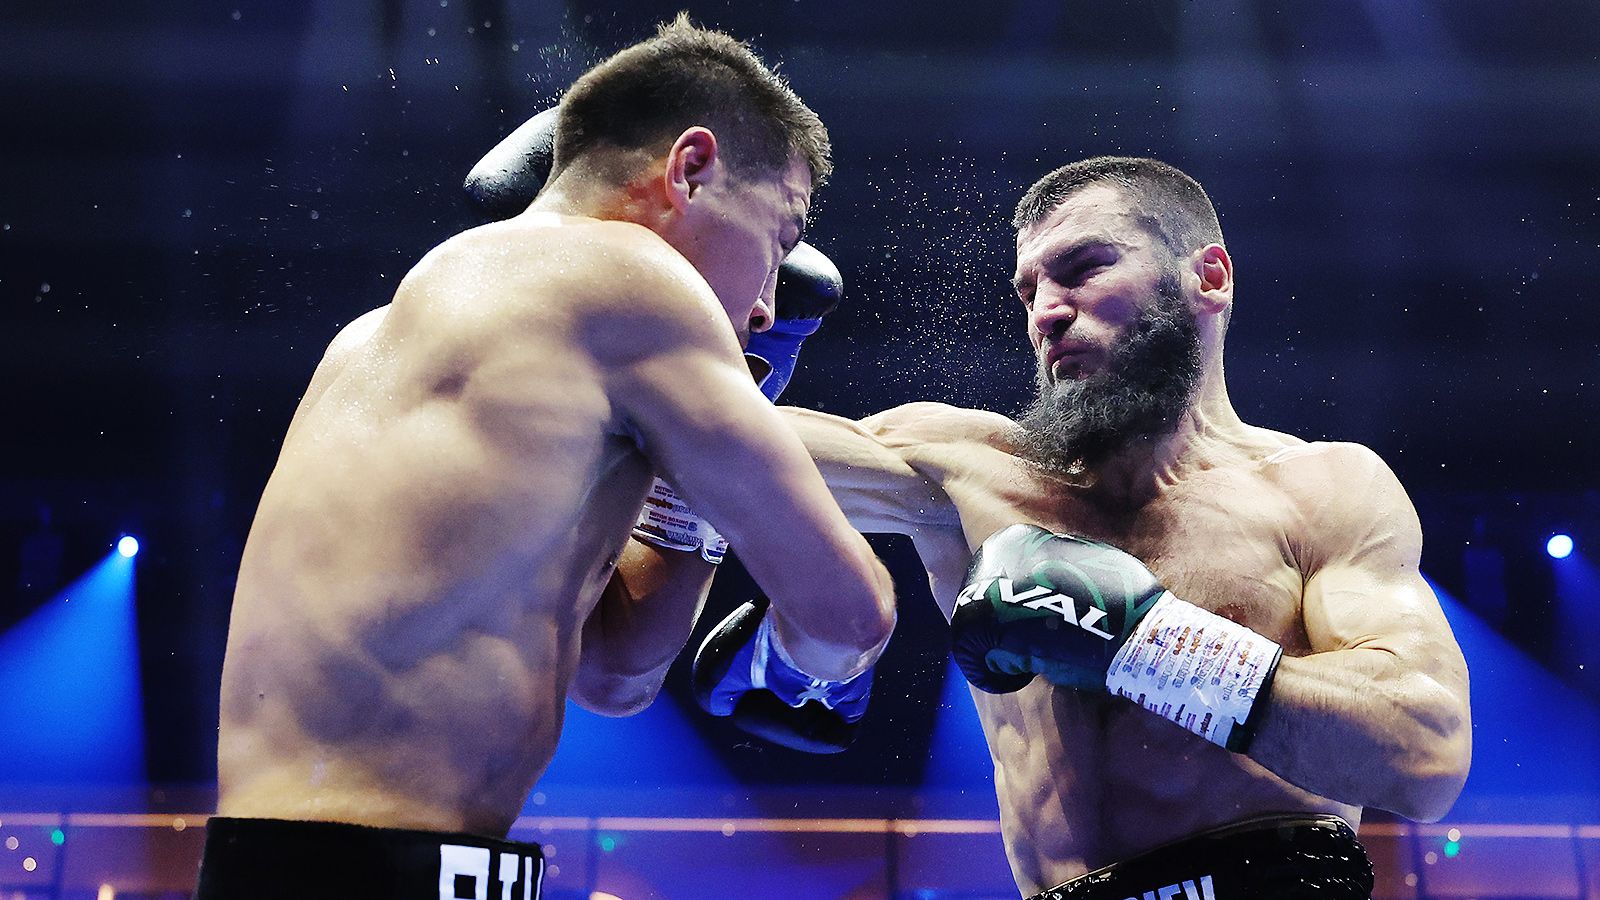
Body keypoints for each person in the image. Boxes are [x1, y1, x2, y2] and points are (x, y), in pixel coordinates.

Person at [199, 17, 896, 900]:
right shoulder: (626, 279)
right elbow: (855, 613)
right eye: (779, 240)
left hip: (348, 859)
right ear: (690, 168)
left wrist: (697, 491)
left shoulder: (388, 339)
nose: (766, 306)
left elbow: (614, 675)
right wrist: (792, 662)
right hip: (373, 868)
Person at [776, 157, 1473, 898]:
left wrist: (1151, 647)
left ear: (1209, 277)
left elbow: (1425, 754)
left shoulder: (1320, 489)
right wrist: (741, 317)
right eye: (1028, 291)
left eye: (1082, 269)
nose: (1046, 312)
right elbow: (714, 451)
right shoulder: (970, 472)